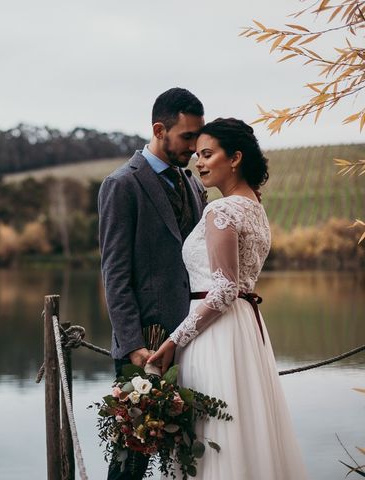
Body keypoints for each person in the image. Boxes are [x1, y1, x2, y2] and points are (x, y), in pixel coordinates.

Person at [148, 118, 308, 479]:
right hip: (245, 330)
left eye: (207, 154)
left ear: (234, 158)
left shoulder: (221, 210)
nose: (198, 162)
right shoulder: (255, 207)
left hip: (215, 335)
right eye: (197, 155)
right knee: (244, 428)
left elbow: (223, 288)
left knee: (217, 435)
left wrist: (175, 340)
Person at [98, 87, 208, 479]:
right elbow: (115, 272)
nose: (195, 147)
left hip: (192, 338)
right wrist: (132, 346)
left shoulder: (194, 185)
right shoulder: (122, 185)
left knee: (187, 452)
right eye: (187, 136)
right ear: (160, 129)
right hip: (145, 342)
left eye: (199, 136)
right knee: (131, 458)